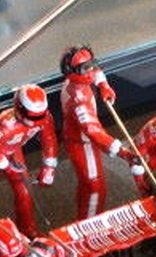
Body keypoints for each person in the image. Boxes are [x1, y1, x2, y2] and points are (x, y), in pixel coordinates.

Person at [0, 84, 58, 243]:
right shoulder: (5, 124)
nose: (36, 122)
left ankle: (27, 229)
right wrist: (8, 167)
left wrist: (49, 167)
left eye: (40, 116)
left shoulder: (44, 118)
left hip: (13, 150)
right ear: (19, 108)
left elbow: (49, 139)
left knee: (25, 192)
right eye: (32, 117)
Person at [59, 44, 140, 219]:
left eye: (91, 64)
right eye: (85, 68)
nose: (91, 71)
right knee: (94, 186)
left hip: (84, 138)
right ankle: (89, 224)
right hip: (82, 143)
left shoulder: (78, 80)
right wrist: (123, 152)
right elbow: (93, 132)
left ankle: (83, 216)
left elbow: (95, 72)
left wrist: (103, 85)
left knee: (86, 185)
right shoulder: (78, 101)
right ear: (72, 71)